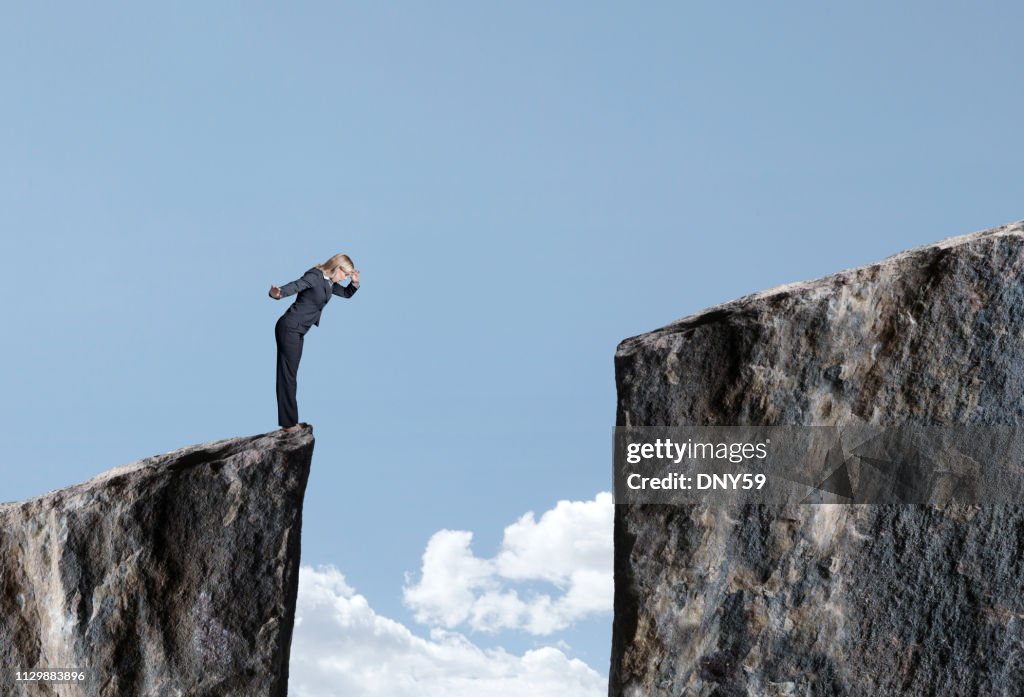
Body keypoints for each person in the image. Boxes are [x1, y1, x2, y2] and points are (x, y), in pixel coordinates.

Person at [269, 253, 360, 432]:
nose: (345, 278)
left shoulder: (329, 283)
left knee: (289, 375)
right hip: (290, 328)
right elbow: (297, 285)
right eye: (345, 274)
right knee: (288, 376)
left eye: (348, 276)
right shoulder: (315, 276)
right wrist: (278, 294)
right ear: (337, 267)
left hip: (297, 330)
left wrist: (354, 282)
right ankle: (289, 424)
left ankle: (289, 421)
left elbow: (346, 293)